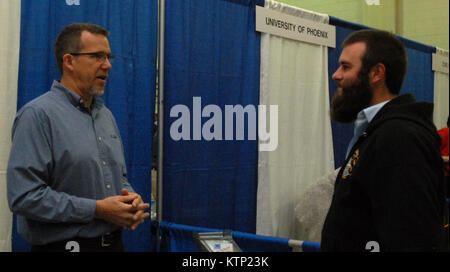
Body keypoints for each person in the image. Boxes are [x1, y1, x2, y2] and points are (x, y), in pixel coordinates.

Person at [7, 23, 150, 252]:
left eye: (109, 56)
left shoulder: (105, 116)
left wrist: (129, 199)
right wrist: (97, 209)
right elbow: (24, 197)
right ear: (69, 61)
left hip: (114, 245)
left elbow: (117, 178)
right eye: (97, 56)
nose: (108, 65)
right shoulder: (38, 116)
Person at [321, 29, 448, 252]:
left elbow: (412, 239)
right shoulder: (378, 131)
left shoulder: (399, 138)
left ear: (376, 73)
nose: (336, 75)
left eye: (346, 66)